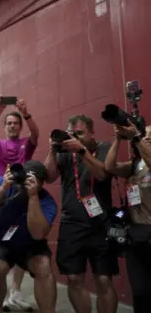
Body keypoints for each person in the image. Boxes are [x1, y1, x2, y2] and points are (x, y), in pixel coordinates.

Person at [44, 115, 118, 313]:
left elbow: (102, 174)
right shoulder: (64, 153)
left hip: (101, 223)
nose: (73, 137)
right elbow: (50, 177)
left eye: (79, 133)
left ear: (92, 133)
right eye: (71, 133)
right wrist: (52, 149)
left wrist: (82, 151)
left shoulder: (104, 147)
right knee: (74, 278)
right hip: (72, 223)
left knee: (104, 279)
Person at [0, 96, 39, 311]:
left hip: (23, 196)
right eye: (8, 123)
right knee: (0, 246)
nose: (12, 126)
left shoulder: (26, 144)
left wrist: (25, 112)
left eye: (15, 123)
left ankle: (15, 292)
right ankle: (2, 291)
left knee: (21, 242)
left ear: (20, 126)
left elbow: (36, 134)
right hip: (1, 196)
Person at [0, 161, 57, 313]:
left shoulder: (47, 201)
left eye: (34, 179)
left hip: (30, 242)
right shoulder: (5, 183)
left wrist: (33, 196)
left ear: (41, 183)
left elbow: (38, 234)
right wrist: (3, 189)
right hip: (4, 240)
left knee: (43, 266)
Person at [104, 122, 151, 312]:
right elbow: (110, 166)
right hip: (136, 234)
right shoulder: (134, 165)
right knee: (140, 291)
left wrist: (138, 138)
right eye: (144, 135)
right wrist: (118, 138)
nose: (147, 138)